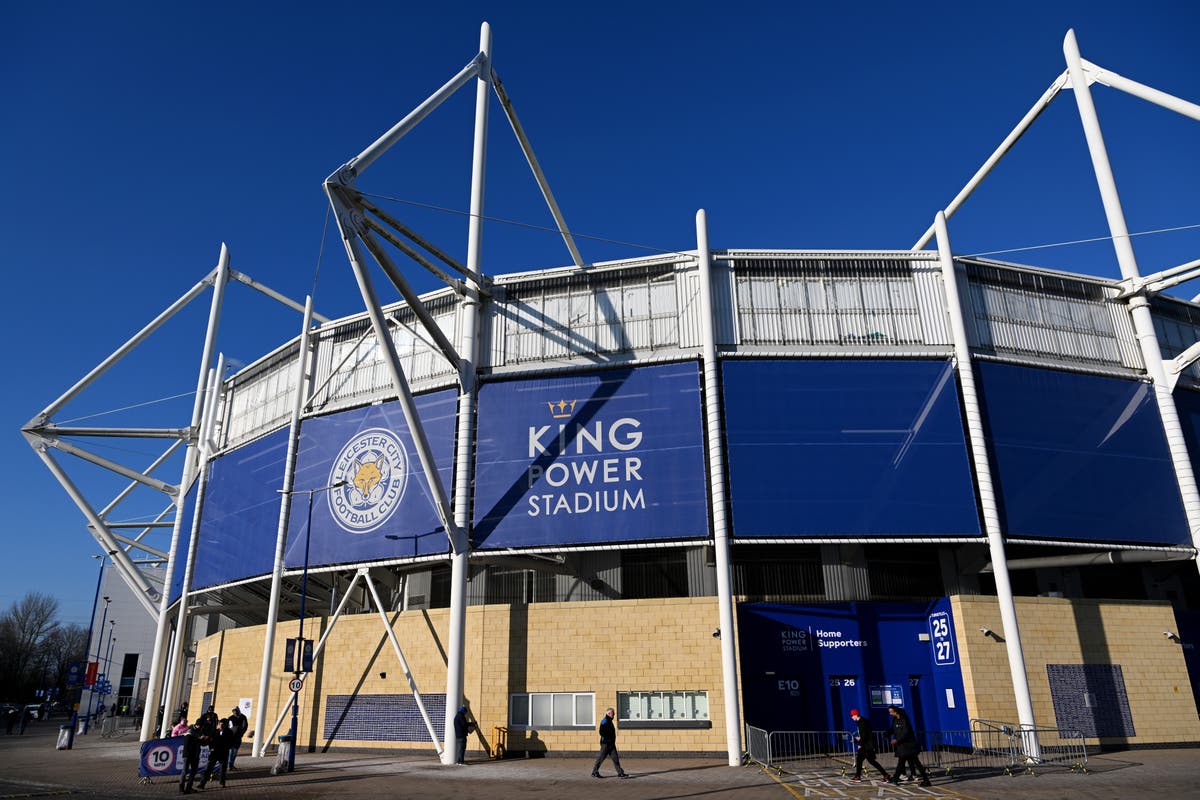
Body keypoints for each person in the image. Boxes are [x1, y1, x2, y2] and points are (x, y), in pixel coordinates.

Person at [886, 706, 931, 787]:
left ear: (896, 711)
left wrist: (897, 740)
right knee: (902, 763)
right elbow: (893, 729)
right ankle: (896, 778)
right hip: (902, 746)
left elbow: (906, 733)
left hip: (909, 745)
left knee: (916, 763)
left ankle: (926, 780)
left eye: (891, 711)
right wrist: (887, 733)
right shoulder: (895, 720)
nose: (890, 713)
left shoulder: (904, 719)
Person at [848, 709, 889, 782]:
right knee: (870, 761)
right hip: (867, 745)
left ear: (856, 715)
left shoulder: (862, 722)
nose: (851, 717)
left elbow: (864, 736)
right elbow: (865, 734)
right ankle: (885, 775)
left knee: (860, 760)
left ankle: (858, 776)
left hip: (866, 746)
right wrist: (859, 739)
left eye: (852, 716)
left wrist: (860, 743)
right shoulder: (862, 721)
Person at [591, 707, 628, 779]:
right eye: (613, 714)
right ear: (609, 713)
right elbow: (601, 732)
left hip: (611, 744)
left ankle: (620, 773)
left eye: (614, 714)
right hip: (606, 744)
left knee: (615, 758)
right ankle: (594, 772)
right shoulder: (604, 721)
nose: (614, 715)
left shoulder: (609, 721)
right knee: (600, 758)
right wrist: (608, 739)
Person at [197, 718, 232, 789]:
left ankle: (222, 782)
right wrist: (211, 748)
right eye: (220, 724)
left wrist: (226, 748)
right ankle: (202, 783)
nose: (221, 726)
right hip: (214, 753)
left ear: (225, 725)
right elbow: (210, 740)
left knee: (223, 769)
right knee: (208, 768)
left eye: (222, 724)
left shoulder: (229, 732)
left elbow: (231, 742)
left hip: (223, 753)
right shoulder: (215, 731)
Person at [179, 724, 203, 794]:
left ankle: (189, 787)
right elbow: (187, 745)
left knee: (193, 772)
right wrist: (198, 738)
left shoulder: (199, 733)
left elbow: (201, 743)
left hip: (195, 755)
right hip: (188, 755)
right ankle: (181, 788)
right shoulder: (189, 733)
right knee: (184, 771)